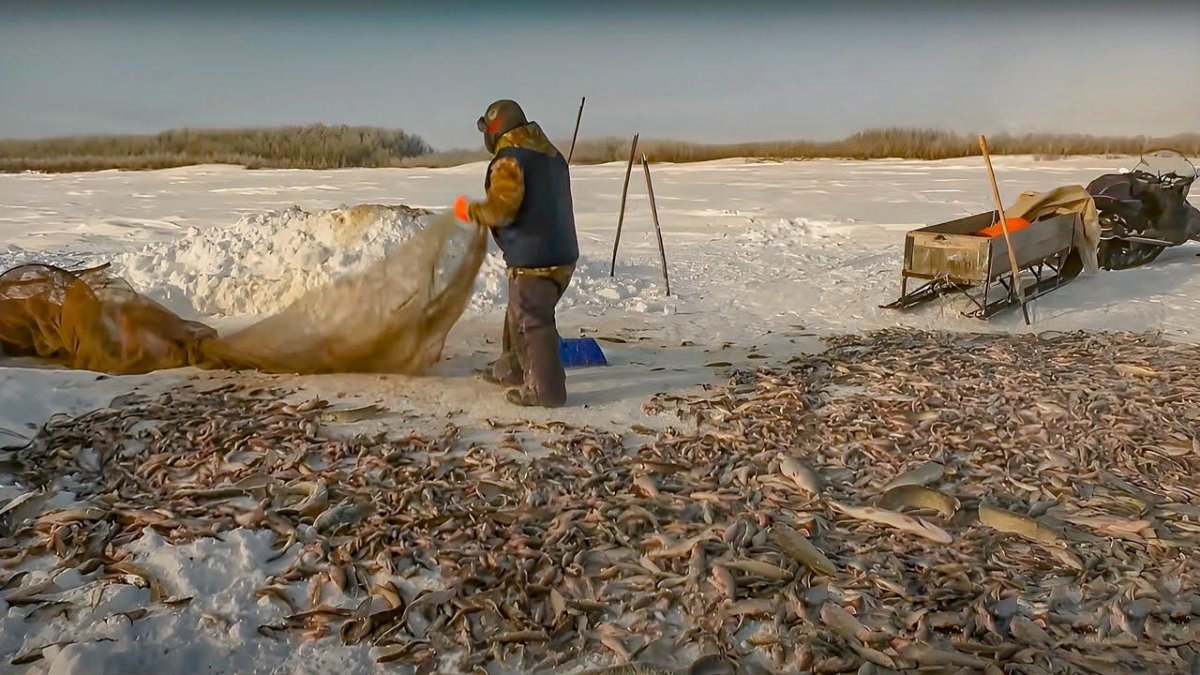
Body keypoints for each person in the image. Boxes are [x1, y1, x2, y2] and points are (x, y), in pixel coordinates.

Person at [454, 100, 579, 408]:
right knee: (518, 312)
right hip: (560, 252)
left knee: (532, 321)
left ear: (496, 129)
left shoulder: (510, 160)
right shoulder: (550, 155)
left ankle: (546, 391)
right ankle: (512, 370)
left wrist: (470, 210)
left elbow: (501, 209)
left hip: (536, 258)